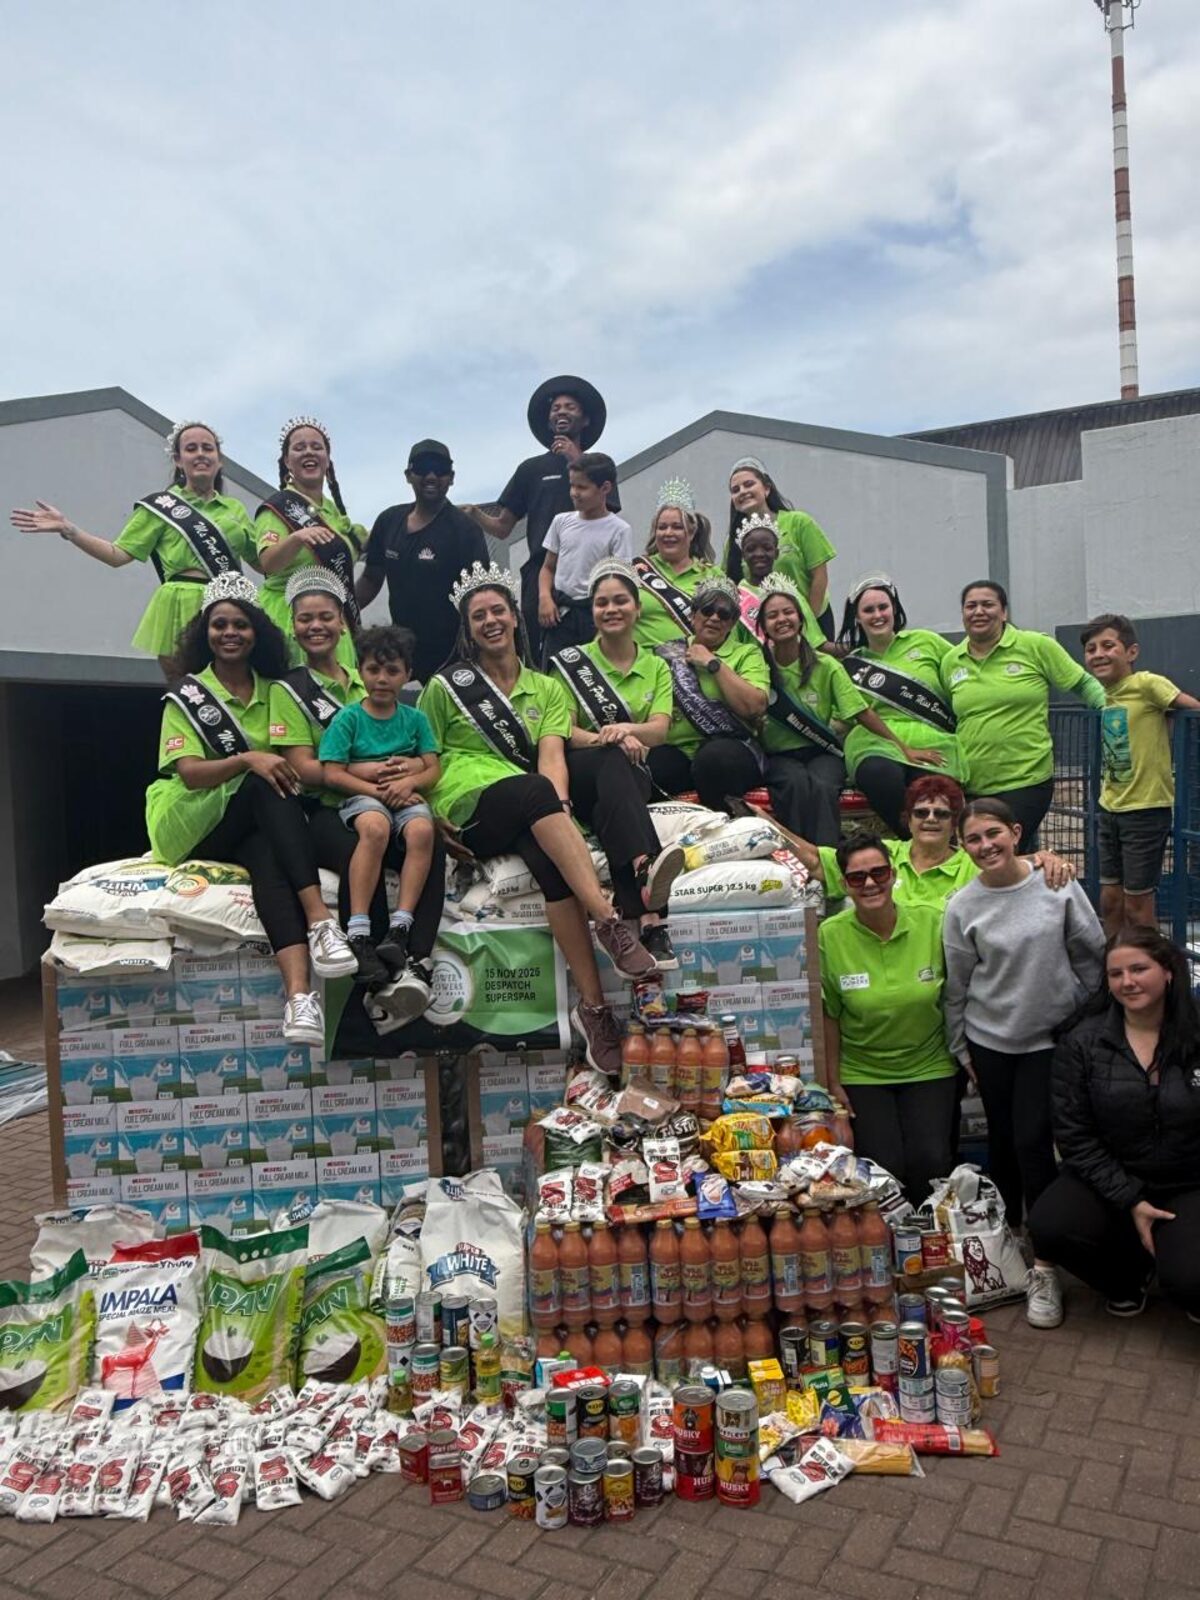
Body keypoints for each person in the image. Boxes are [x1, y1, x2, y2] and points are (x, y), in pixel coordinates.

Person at [418, 562, 645, 1074]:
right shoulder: (445, 687)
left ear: (515, 617)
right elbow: (423, 757)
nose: (491, 621)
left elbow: (551, 757)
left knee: (552, 870)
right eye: (479, 615)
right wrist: (429, 816)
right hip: (468, 810)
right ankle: (608, 920)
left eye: (498, 610)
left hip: (529, 804)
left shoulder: (547, 688)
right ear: (468, 628)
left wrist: (559, 813)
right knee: (535, 792)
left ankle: (594, 1011)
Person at [145, 572, 356, 1046]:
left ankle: (299, 998)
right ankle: (320, 919)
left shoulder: (275, 690)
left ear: (257, 632)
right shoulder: (188, 694)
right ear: (205, 632)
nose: (230, 633)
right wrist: (246, 759)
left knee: (267, 859)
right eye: (219, 624)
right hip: (195, 818)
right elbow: (190, 773)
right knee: (263, 782)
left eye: (240, 624)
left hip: (256, 822)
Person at [942, 797, 1105, 1329]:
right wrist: (961, 1048)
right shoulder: (962, 906)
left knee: (1035, 1142)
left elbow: (1092, 956)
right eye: (973, 838)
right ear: (962, 847)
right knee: (1004, 1141)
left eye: (993, 833)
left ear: (1015, 832)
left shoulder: (1057, 884)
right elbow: (958, 985)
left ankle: (1046, 1264)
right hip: (990, 1042)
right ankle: (1007, 1238)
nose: (985, 845)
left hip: (1049, 1041)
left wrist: (1084, 1024)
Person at [269, 572, 444, 1021]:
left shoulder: (370, 684)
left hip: (396, 797)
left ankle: (413, 952)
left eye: (326, 616)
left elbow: (428, 762)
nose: (316, 626)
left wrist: (410, 777)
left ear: (343, 623)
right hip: (332, 805)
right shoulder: (290, 689)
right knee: (368, 835)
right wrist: (370, 776)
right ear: (293, 625)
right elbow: (311, 768)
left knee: (429, 836)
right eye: (306, 618)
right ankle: (364, 950)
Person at [1029, 927, 1200, 1325]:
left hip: (1189, 1182)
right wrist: (1131, 1199)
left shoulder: (1196, 1032)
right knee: (1050, 1224)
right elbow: (1074, 1137)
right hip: (1111, 1178)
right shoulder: (1082, 1042)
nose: (1127, 982)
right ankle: (1127, 1279)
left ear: (1168, 971)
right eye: (1116, 974)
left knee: (1191, 1281)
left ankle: (1181, 1272)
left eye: (1139, 969)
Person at [10, 420, 257, 677]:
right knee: (187, 686)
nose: (200, 454)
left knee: (235, 681)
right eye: (191, 448)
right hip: (178, 604)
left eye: (207, 448)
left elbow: (263, 562)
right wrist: (69, 530)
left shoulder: (235, 509)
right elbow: (117, 555)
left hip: (227, 603)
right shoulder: (160, 507)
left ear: (219, 459)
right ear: (178, 460)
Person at [549, 559, 685, 971]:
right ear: (592, 611)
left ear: (637, 608)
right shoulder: (570, 663)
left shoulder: (656, 665)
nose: (611, 609)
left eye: (620, 601)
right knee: (612, 762)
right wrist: (608, 738)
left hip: (632, 774)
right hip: (584, 770)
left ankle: (644, 905)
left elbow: (659, 730)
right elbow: (564, 729)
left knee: (613, 808)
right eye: (602, 603)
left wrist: (625, 729)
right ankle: (649, 894)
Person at [817, 832, 958, 1202]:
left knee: (931, 1161)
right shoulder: (830, 935)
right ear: (844, 885)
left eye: (878, 873)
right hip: (863, 1071)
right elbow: (829, 1014)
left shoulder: (933, 922)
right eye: (857, 877)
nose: (870, 884)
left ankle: (933, 1231)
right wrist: (833, 1082)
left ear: (893, 874)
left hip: (929, 1065)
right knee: (885, 1167)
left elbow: (958, 995)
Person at [758, 574, 943, 847]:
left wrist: (903, 748)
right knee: (793, 784)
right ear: (763, 626)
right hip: (779, 756)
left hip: (822, 751)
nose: (782, 619)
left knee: (823, 785)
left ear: (801, 619)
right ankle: (799, 855)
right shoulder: (758, 664)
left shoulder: (826, 665)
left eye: (788, 612)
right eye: (772, 615)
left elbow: (861, 712)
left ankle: (828, 857)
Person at [318, 627, 441, 1000]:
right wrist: (376, 791)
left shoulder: (415, 719)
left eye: (392, 671)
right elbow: (332, 772)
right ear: (360, 671)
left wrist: (410, 783)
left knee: (423, 831)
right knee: (374, 828)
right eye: (373, 670)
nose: (382, 679)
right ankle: (358, 930)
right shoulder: (348, 718)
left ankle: (400, 927)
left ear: (407, 674)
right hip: (364, 797)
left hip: (404, 794)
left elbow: (433, 768)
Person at [941, 580, 1105, 851]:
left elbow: (1084, 684)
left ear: (1004, 612)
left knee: (998, 852)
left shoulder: (1036, 646)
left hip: (1026, 779)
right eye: (971, 606)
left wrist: (1114, 715)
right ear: (963, 614)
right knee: (987, 860)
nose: (979, 611)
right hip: (972, 783)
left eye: (987, 604)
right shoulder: (951, 661)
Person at [462, 376, 614, 664]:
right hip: (541, 573)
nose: (561, 412)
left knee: (596, 656)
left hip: (589, 571)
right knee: (541, 656)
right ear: (548, 421)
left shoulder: (600, 465)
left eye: (570, 407)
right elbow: (503, 527)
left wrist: (576, 459)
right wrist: (475, 514)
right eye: (556, 408)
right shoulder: (531, 469)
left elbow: (610, 514)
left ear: (585, 420)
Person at [790, 772, 1076, 910]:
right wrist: (768, 825)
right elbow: (815, 860)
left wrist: (1047, 857)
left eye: (941, 813)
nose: (930, 819)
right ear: (908, 820)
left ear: (954, 825)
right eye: (921, 812)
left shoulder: (972, 864)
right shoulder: (883, 854)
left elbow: (1016, 866)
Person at [1080, 612, 1200, 934]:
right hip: (1110, 807)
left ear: (1131, 652)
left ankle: (1150, 961)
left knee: (1137, 904)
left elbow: (1191, 707)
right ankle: (1113, 959)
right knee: (1110, 900)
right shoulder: (1106, 695)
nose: (1098, 654)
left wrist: (1173, 720)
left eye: (1108, 646)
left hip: (1145, 809)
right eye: (1091, 649)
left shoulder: (1147, 684)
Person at [834, 572, 963, 836]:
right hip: (875, 742)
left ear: (894, 609)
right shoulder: (851, 665)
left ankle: (932, 845)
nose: (877, 615)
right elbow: (841, 718)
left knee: (932, 792)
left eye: (883, 607)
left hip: (931, 738)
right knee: (880, 775)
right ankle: (915, 841)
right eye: (868, 610)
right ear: (857, 617)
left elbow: (962, 672)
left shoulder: (926, 641)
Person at [355, 439, 488, 687]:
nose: (431, 476)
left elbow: (480, 596)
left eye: (440, 469)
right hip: (400, 649)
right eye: (422, 468)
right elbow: (371, 579)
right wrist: (342, 612)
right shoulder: (388, 521)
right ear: (408, 475)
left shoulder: (466, 530)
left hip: (450, 654)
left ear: (451, 477)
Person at [646, 573, 769, 813]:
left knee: (713, 760)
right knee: (649, 766)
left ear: (732, 623)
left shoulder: (747, 653)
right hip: (679, 751)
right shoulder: (666, 653)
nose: (714, 617)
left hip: (731, 750)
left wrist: (713, 663)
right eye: (707, 610)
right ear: (693, 615)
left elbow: (754, 707)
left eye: (724, 613)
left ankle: (728, 827)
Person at [256, 417, 368, 671]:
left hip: (331, 619)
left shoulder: (333, 512)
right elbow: (267, 563)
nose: (309, 452)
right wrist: (297, 538)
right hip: (287, 616)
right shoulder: (277, 508)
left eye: (317, 447)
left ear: (327, 459)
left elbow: (362, 542)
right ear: (287, 461)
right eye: (299, 447)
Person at [538, 452, 633, 663]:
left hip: (594, 617)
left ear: (605, 488)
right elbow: (548, 568)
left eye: (582, 487)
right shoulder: (561, 522)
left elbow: (620, 581)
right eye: (572, 486)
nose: (574, 493)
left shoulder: (619, 530)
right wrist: (544, 597)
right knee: (555, 670)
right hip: (560, 615)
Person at [727, 456, 837, 637]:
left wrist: (806, 625)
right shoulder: (734, 540)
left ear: (767, 488)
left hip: (812, 622)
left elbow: (819, 576)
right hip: (762, 631)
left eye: (749, 484)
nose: (742, 492)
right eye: (735, 490)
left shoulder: (799, 522)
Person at [630, 479, 722, 652]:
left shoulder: (713, 575)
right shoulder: (635, 570)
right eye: (662, 527)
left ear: (691, 532)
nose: (668, 533)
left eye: (677, 527)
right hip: (643, 662)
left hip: (694, 662)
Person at [724, 513, 825, 648]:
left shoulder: (789, 591)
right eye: (751, 549)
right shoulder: (737, 598)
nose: (759, 554)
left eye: (767, 548)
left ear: (776, 553)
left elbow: (815, 643)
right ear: (743, 555)